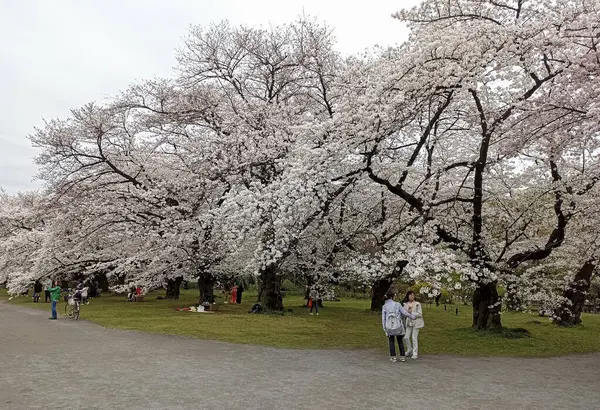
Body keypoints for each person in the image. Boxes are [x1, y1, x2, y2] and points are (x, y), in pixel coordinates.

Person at [382, 291, 417, 363]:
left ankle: (393, 357)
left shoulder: (384, 306)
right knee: (400, 341)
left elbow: (383, 318)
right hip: (398, 325)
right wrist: (412, 316)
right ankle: (402, 356)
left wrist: (384, 328)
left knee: (391, 341)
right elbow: (404, 313)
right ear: (392, 297)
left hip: (389, 326)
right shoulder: (397, 304)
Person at [403, 291, 424, 359]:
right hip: (409, 322)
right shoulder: (406, 304)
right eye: (410, 295)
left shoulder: (417, 304)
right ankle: (409, 350)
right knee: (406, 337)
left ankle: (415, 353)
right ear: (408, 296)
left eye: (413, 295)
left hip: (416, 322)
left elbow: (420, 314)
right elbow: (404, 313)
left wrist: (412, 312)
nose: (411, 296)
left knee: (414, 338)